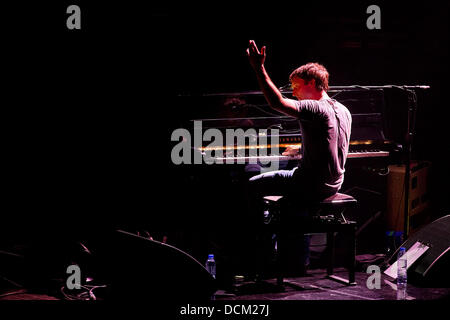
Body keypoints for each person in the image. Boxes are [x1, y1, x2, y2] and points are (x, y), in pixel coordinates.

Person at [245, 40, 352, 277]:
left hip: (308, 185)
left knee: (251, 185)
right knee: (289, 198)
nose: (293, 91)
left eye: (295, 86)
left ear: (312, 83)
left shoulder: (315, 108)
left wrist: (258, 67)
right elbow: (330, 142)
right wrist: (302, 150)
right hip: (333, 183)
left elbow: (276, 103)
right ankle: (292, 254)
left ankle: (263, 254)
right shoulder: (343, 109)